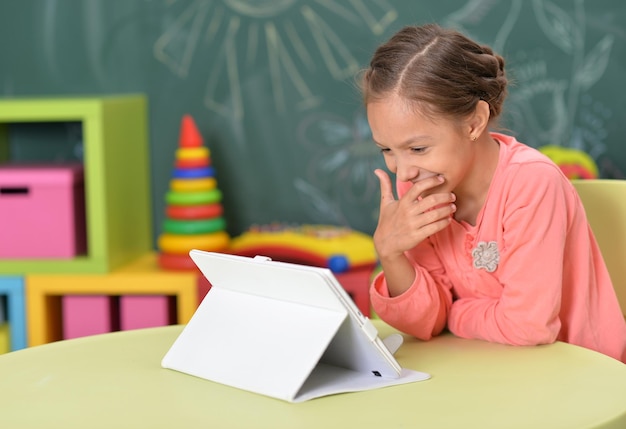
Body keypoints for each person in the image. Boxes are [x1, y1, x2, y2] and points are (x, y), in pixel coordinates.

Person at [361, 23, 626, 363]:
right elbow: (425, 323)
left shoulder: (532, 184)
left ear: (474, 122)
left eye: (418, 148)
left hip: (579, 375)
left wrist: (453, 315)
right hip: (488, 370)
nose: (403, 170)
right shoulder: (420, 187)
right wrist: (391, 252)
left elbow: (528, 327)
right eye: (386, 149)